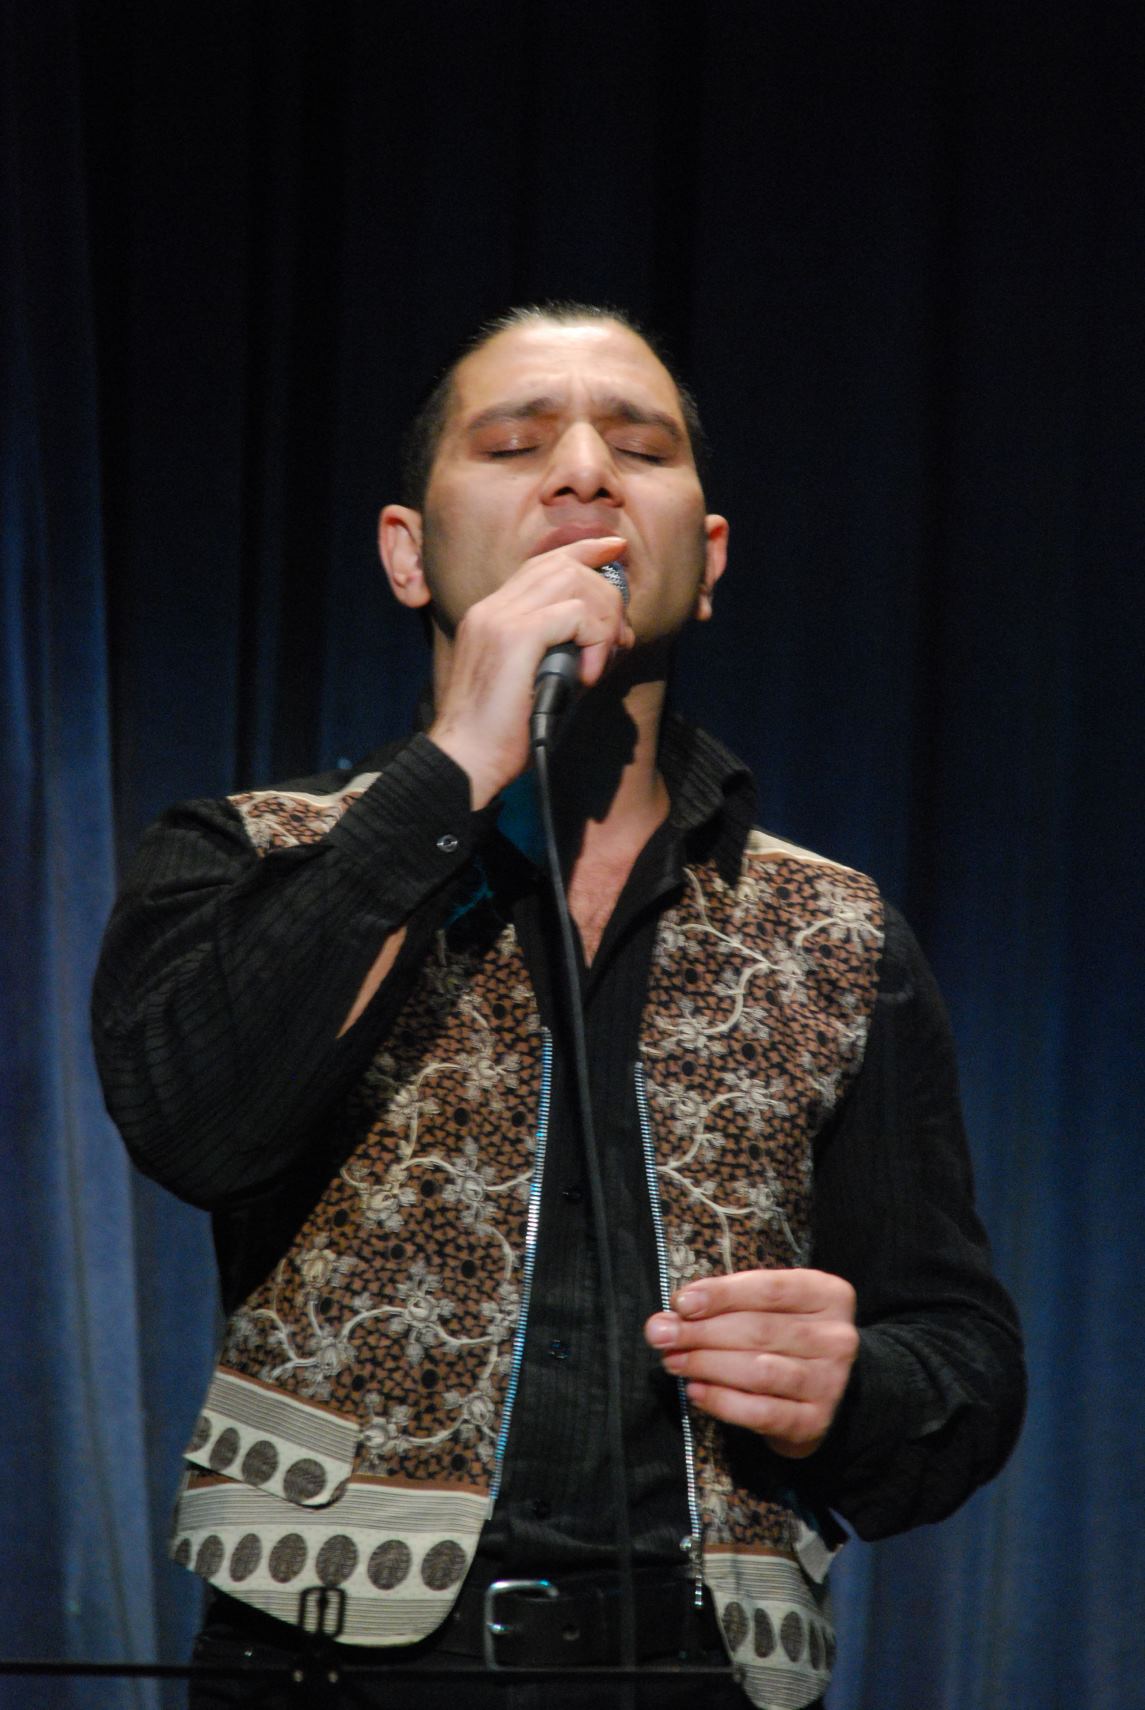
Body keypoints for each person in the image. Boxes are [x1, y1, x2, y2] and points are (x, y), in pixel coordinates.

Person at [92, 303, 1026, 1710]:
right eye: (517, 445)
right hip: (334, 1673)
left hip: (701, 1675)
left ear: (708, 563)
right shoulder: (248, 858)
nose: (585, 472)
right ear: (408, 554)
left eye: (638, 450)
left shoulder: (832, 930)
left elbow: (962, 1361)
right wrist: (457, 762)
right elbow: (196, 1123)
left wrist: (854, 1389)